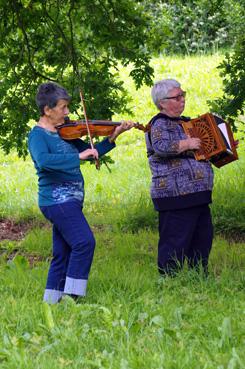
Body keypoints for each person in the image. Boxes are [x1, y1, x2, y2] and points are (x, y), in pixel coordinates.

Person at [28, 82, 133, 303]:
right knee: (84, 242)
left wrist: (114, 136)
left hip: (71, 201)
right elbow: (44, 161)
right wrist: (76, 157)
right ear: (47, 110)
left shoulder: (66, 132)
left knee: (63, 253)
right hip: (56, 200)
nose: (67, 112)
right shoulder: (38, 136)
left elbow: (92, 152)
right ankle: (71, 299)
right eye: (63, 107)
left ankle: (51, 301)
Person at [145, 78, 214, 276]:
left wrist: (223, 146)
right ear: (162, 103)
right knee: (175, 241)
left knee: (202, 239)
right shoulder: (157, 124)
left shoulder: (188, 123)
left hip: (199, 194)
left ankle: (198, 278)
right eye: (177, 97)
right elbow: (161, 146)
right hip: (175, 196)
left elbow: (207, 149)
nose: (182, 100)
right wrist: (187, 144)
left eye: (183, 95)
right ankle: (168, 281)